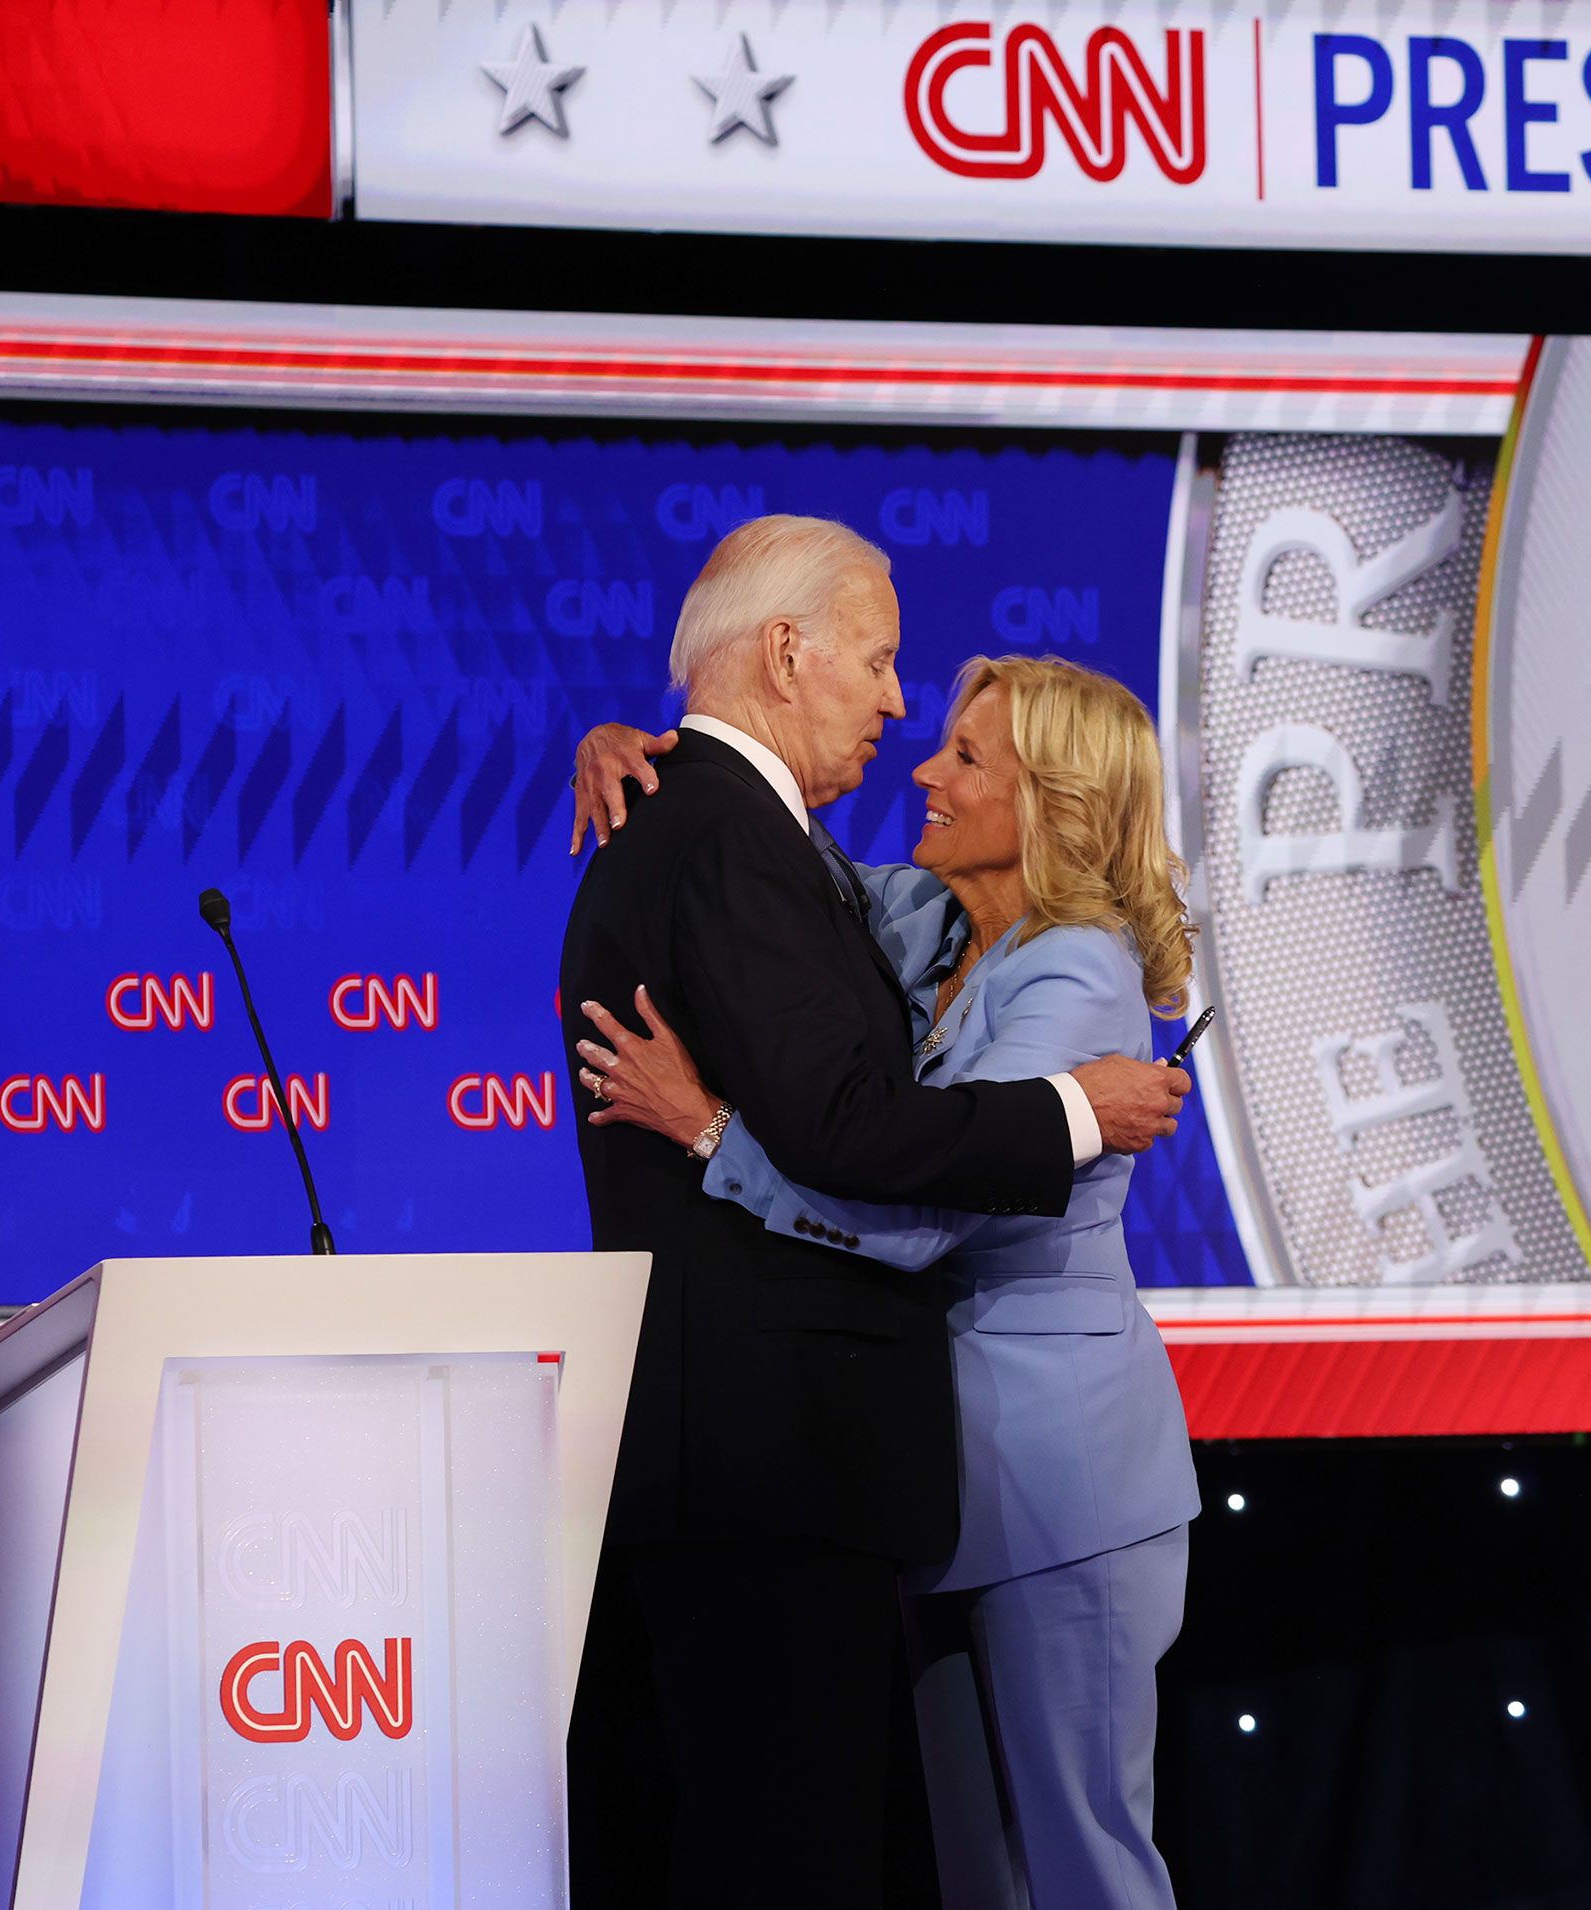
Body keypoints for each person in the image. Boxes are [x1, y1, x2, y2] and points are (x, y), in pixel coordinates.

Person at [556, 516, 1191, 1909]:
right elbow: (776, 865)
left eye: (967, 755)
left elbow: (912, 1213)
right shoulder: (927, 925)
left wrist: (715, 1131)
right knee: (964, 1871)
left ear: (1052, 803)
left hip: (1054, 1477)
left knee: (1075, 1862)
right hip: (900, 1469)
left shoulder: (1071, 973)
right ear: (786, 651)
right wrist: (638, 745)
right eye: (892, 674)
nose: (914, 737)